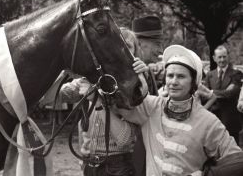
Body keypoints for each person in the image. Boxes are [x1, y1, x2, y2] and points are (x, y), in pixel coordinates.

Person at [115, 45, 242, 176]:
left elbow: (237, 161)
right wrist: (132, 71)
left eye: (181, 76)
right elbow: (117, 100)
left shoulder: (208, 122)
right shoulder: (151, 106)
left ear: (193, 82)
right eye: (170, 75)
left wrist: (208, 174)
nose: (173, 82)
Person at [58, 28, 145, 176]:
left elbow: (125, 139)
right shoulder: (91, 78)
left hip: (118, 166)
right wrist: (64, 66)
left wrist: (97, 101)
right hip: (89, 163)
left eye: (128, 46)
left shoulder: (136, 83)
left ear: (136, 53)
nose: (121, 50)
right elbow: (52, 96)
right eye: (115, 44)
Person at [204, 45, 243, 143]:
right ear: (214, 58)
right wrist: (223, 92)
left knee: (233, 153)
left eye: (224, 56)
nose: (222, 60)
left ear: (228, 57)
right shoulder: (209, 75)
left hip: (230, 121)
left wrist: (211, 92)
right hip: (213, 120)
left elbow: (231, 94)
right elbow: (204, 95)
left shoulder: (237, 74)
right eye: (219, 57)